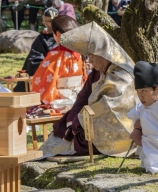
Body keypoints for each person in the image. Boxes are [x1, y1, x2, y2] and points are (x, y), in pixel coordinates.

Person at [40, 22, 137, 157]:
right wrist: (73, 120)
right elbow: (82, 99)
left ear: (103, 53)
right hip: (89, 117)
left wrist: (78, 121)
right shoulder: (100, 72)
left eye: (91, 56)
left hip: (120, 129)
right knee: (65, 126)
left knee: (82, 140)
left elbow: (108, 106)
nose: (90, 62)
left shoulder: (123, 75)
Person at [31, 15, 86, 104]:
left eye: (53, 33)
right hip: (79, 100)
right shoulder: (79, 53)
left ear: (58, 34)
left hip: (59, 102)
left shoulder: (55, 55)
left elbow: (43, 81)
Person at [14, 8, 58, 92]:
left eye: (55, 21)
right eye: (50, 21)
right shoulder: (42, 39)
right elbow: (34, 61)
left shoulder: (66, 37)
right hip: (48, 75)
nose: (53, 24)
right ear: (43, 22)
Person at [127, 61, 158, 174]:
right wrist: (137, 129)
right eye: (138, 91)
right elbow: (137, 118)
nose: (140, 96)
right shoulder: (141, 107)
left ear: (157, 89)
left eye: (144, 91)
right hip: (149, 146)